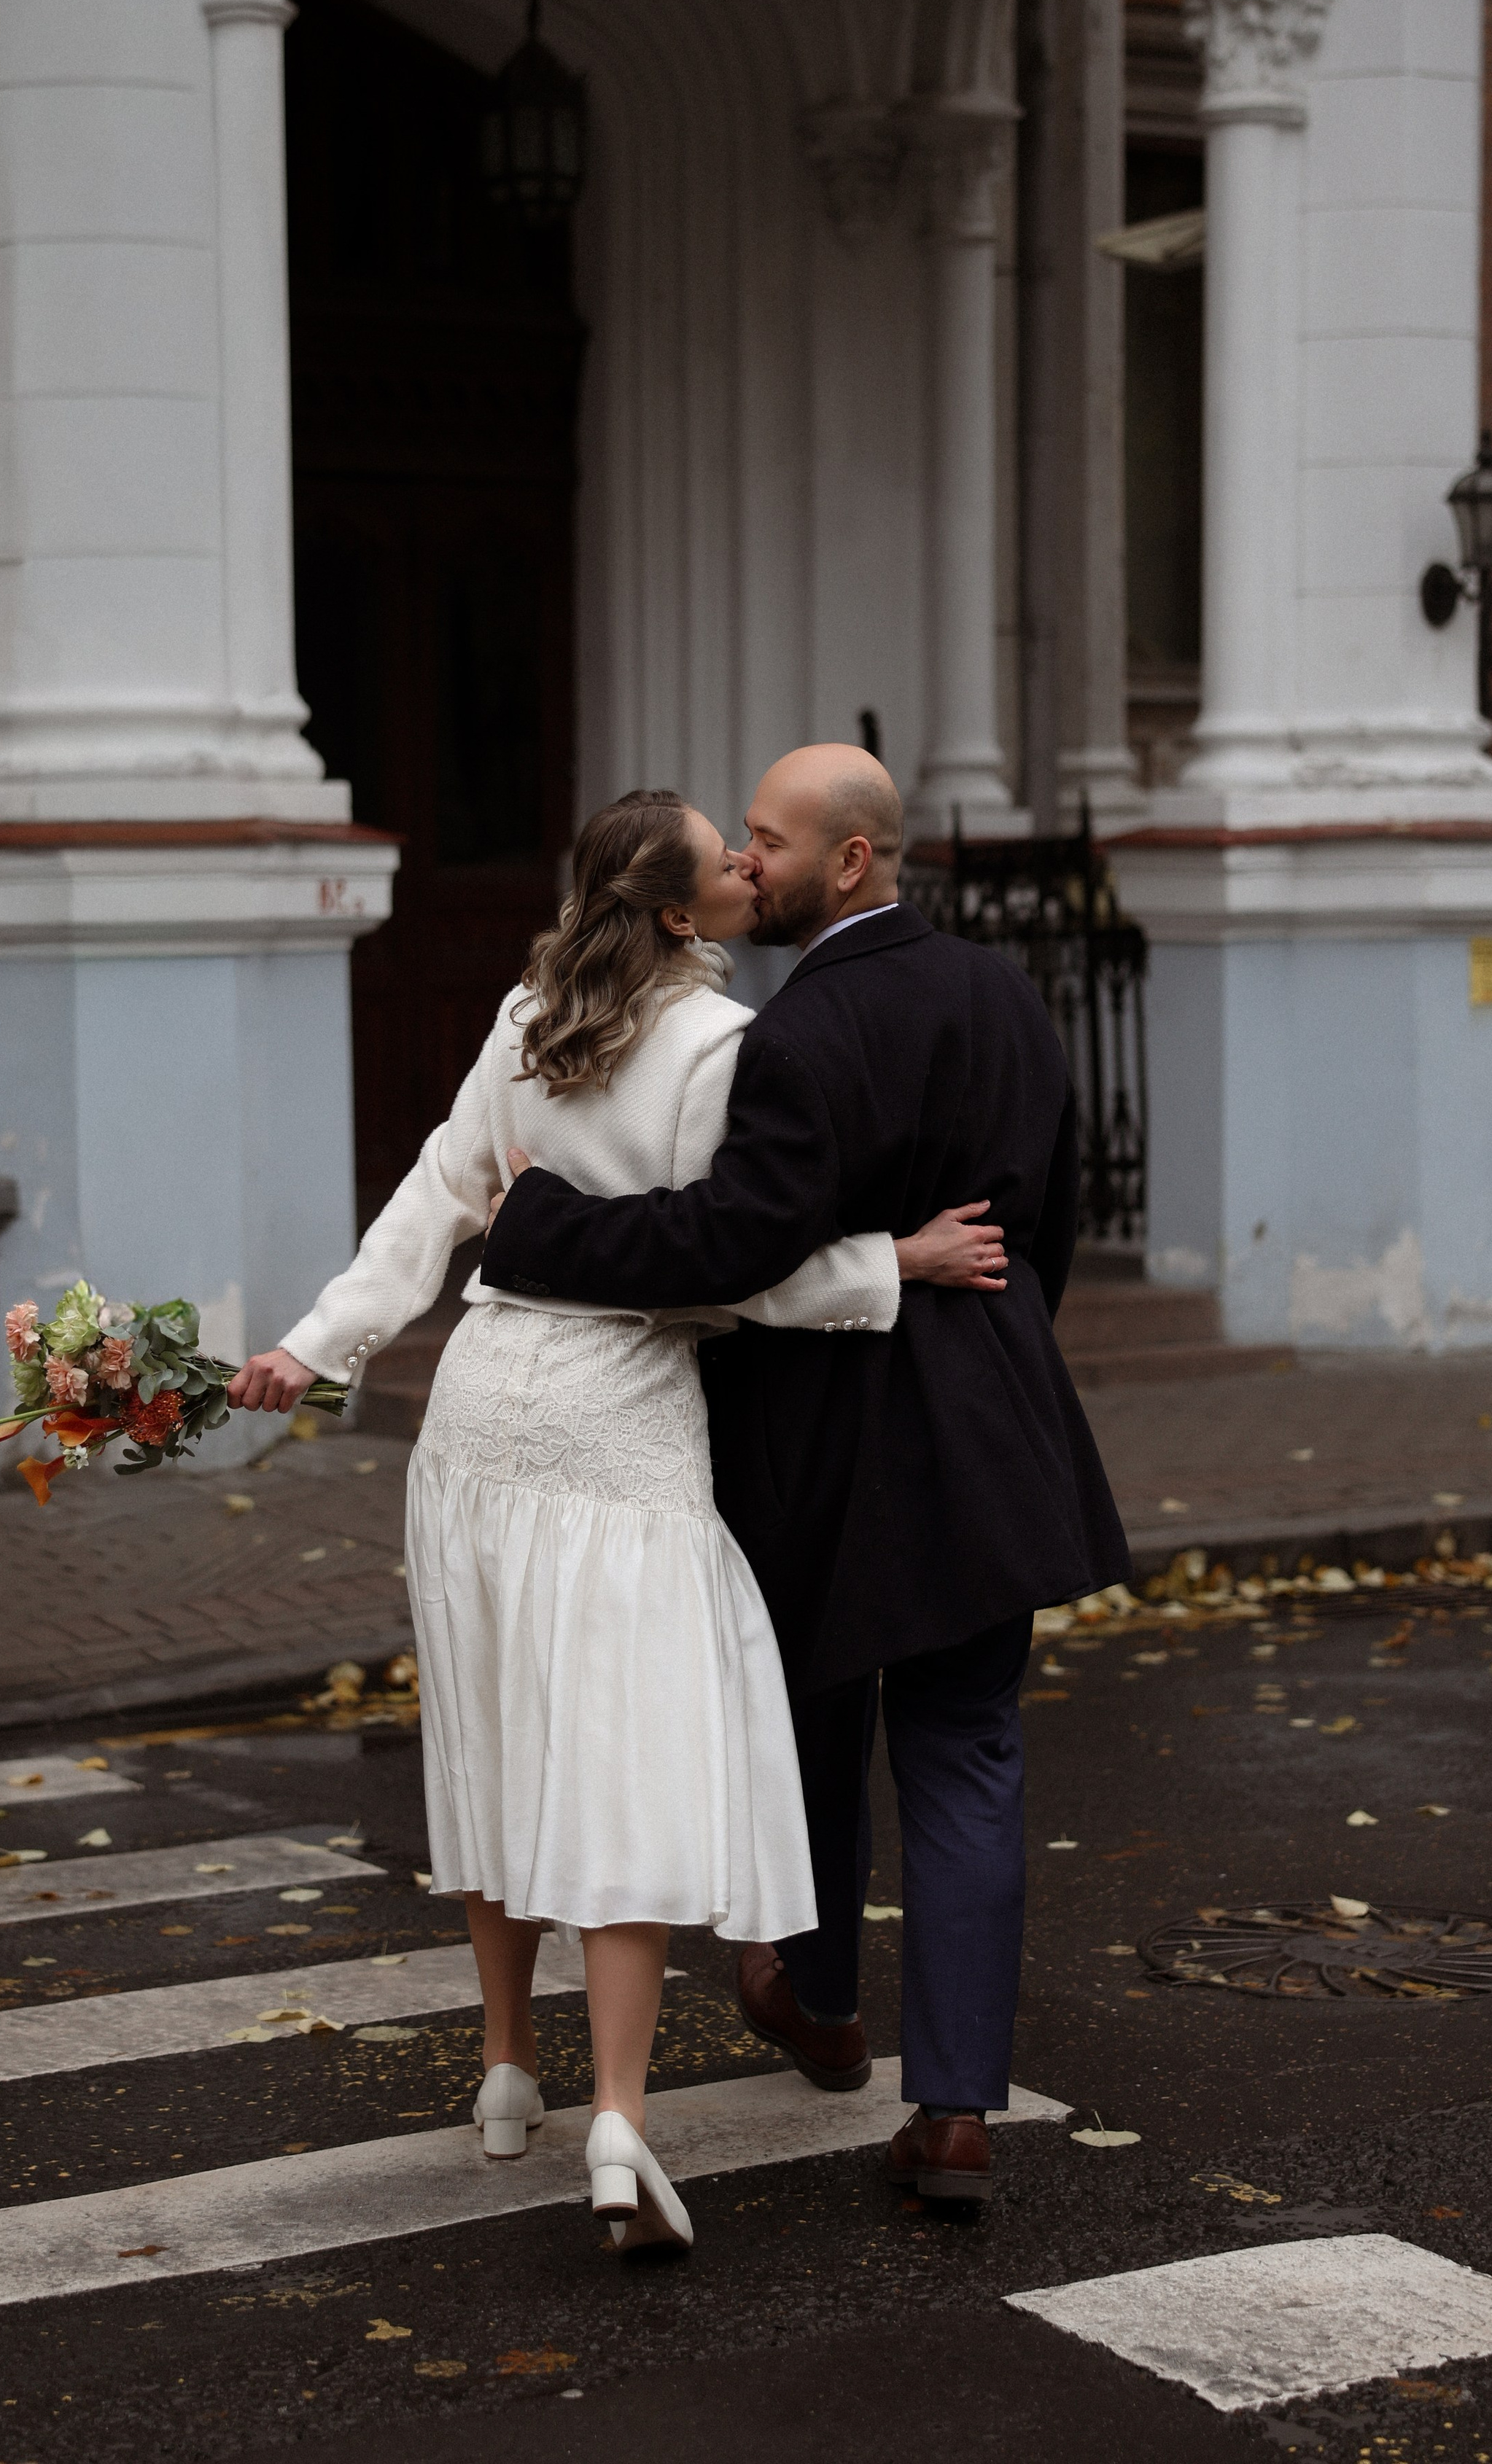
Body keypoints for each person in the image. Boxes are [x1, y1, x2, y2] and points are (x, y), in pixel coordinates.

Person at [228, 788, 1005, 2254]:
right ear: (673, 913)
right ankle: (619, 2123)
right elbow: (730, 1269)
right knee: (614, 1765)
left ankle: (508, 2070)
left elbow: (431, 1201)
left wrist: (313, 1344)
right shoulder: (722, 1045)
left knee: (494, 1735)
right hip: (611, 1426)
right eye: (724, 855)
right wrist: (890, 1264)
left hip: (471, 1416)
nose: (743, 865)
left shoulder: (527, 1016)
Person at [482, 745, 1131, 2206]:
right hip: (995, 1428)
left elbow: (726, 1247)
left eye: (766, 841)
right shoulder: (1003, 994)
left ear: (848, 860)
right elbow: (1059, 1219)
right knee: (964, 1756)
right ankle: (953, 2109)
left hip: (829, 1445)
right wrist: (1000, 1362)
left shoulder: (787, 1038)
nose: (745, 865)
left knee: (816, 1720)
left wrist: (535, 1236)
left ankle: (822, 1993)